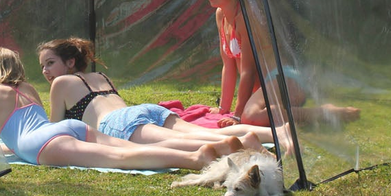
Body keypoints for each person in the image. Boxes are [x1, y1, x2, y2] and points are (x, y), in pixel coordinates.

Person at [0, 47, 238, 172]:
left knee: (120, 159)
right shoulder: (29, 88)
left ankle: (196, 159)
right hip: (66, 129)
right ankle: (207, 149)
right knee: (129, 149)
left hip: (42, 144)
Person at [193, 0, 359, 128]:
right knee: (254, 115)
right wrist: (223, 108)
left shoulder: (246, 18)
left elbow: (248, 71)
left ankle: (321, 112)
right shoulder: (221, 15)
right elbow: (228, 65)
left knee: (250, 117)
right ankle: (279, 110)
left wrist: (238, 115)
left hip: (284, 80)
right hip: (263, 90)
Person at [37, 36, 275, 153]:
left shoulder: (62, 83)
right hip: (145, 110)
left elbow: (55, 130)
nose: (46, 71)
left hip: (119, 123)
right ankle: (276, 133)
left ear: (70, 62)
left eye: (50, 63)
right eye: (42, 66)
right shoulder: (100, 76)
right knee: (201, 132)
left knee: (180, 144)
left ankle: (244, 143)